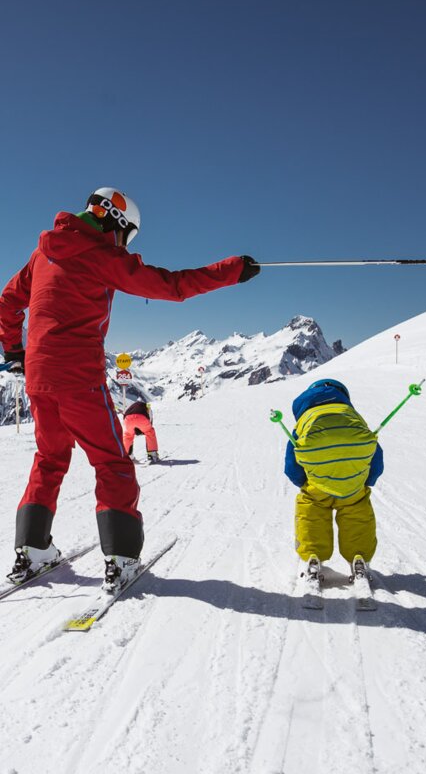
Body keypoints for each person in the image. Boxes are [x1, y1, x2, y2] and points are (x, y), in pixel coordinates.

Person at [0, 187, 261, 588]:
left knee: (50, 458)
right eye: (128, 234)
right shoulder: (104, 256)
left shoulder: (43, 253)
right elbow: (170, 286)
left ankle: (31, 551)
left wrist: (15, 350)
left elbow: (8, 301)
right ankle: (121, 558)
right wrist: (231, 270)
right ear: (115, 221)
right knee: (112, 462)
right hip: (78, 377)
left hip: (38, 375)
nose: (126, 243)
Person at [284, 378, 384, 579]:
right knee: (356, 513)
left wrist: (304, 483)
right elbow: (374, 452)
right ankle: (359, 559)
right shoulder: (352, 416)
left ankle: (313, 557)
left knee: (311, 511)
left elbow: (292, 460)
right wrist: (366, 481)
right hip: (353, 483)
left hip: (317, 484)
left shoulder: (305, 419)